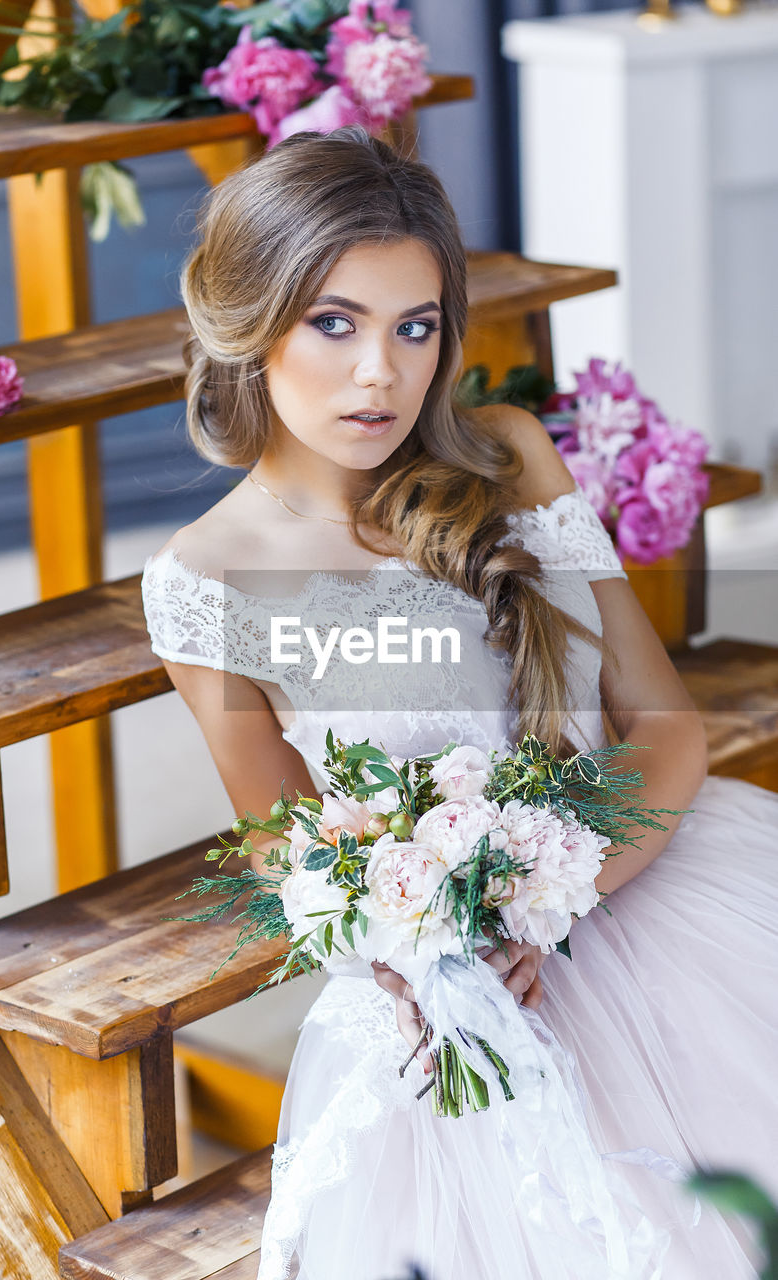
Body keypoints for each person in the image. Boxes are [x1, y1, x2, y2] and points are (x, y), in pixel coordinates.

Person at [141, 127, 777, 1279]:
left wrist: (548, 896)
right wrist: (425, 953)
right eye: (332, 321)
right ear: (250, 317)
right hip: (445, 985)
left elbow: (667, 723)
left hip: (656, 893)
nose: (379, 373)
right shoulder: (205, 581)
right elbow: (295, 851)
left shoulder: (511, 458)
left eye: (414, 325)